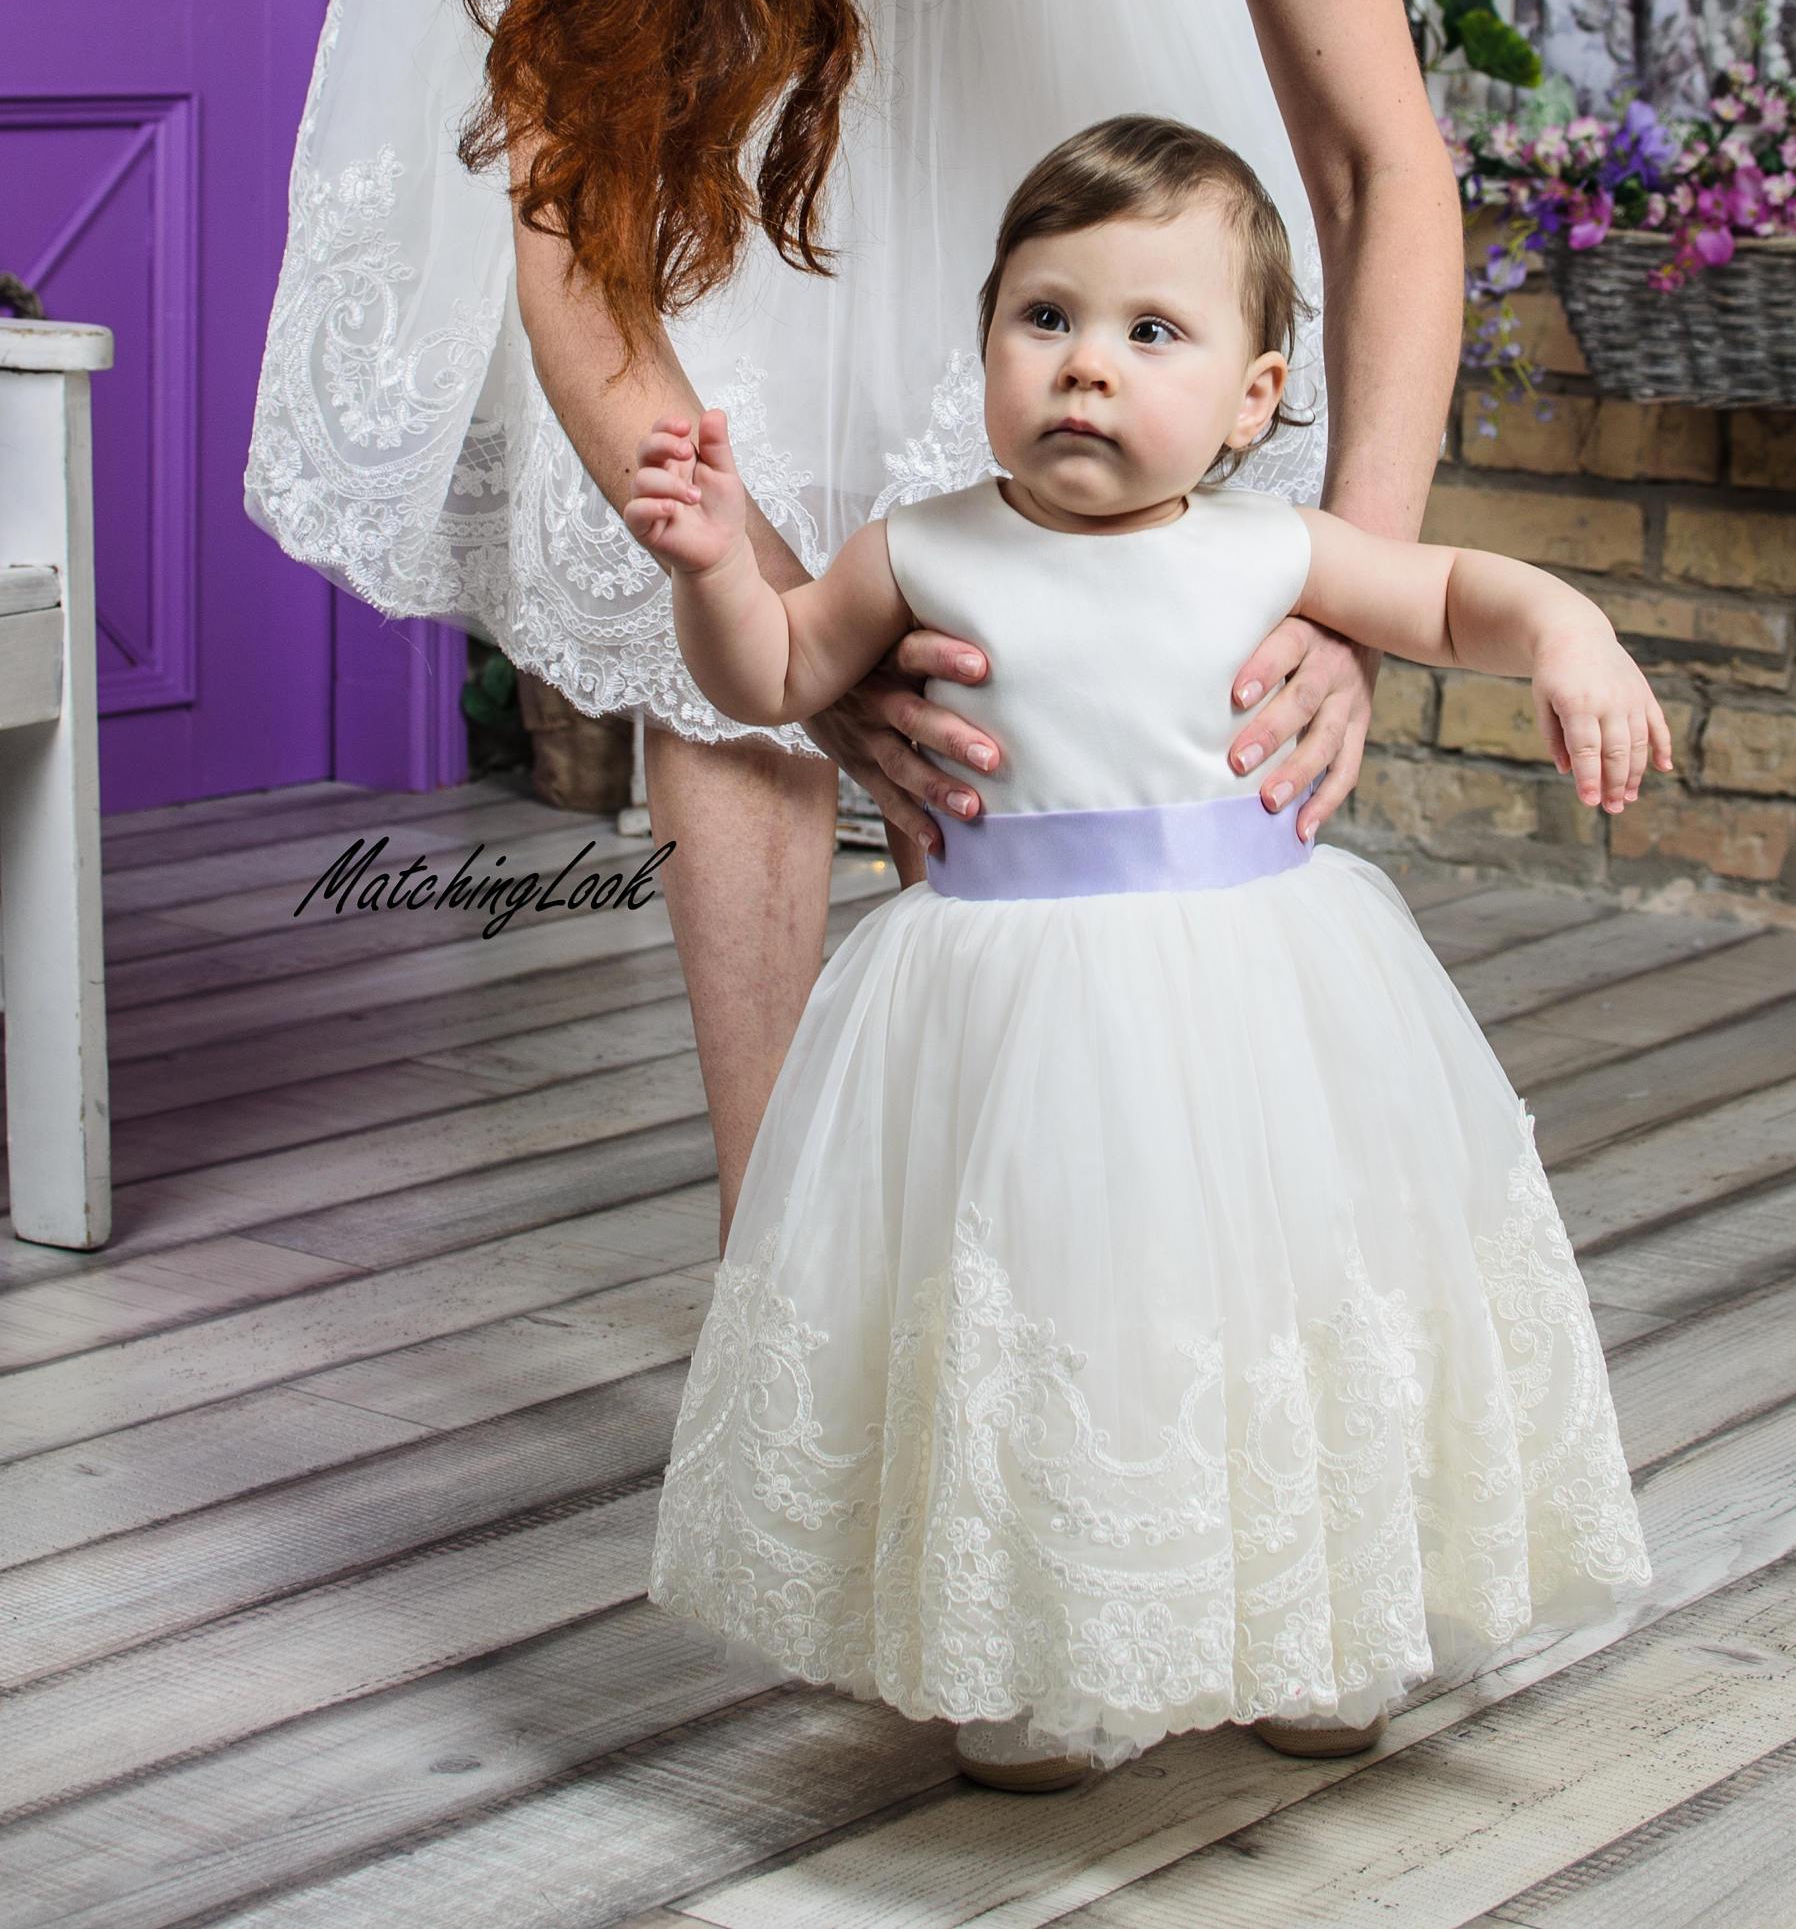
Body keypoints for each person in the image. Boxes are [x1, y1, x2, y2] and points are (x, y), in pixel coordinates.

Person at [243, 0, 1464, 1248]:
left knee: (1034, 612)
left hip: (1046, 8)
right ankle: (781, 1269)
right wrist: (776, 629)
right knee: (737, 644)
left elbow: (1380, 165)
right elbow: (574, 212)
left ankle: (1036, 1251)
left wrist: (1354, 588)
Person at [636, 113, 1662, 1790]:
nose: (1087, 370)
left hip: (1249, 1002)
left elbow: (1457, 594)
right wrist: (704, 565)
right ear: (984, 346)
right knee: (1046, 1311)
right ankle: (1040, 1641)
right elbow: (768, 674)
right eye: (1045, 320)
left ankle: (1320, 1617)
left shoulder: (1273, 553)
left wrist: (1571, 628)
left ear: (1256, 400)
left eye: (1150, 332)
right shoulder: (923, 550)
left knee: (1273, 1297)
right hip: (1002, 1006)